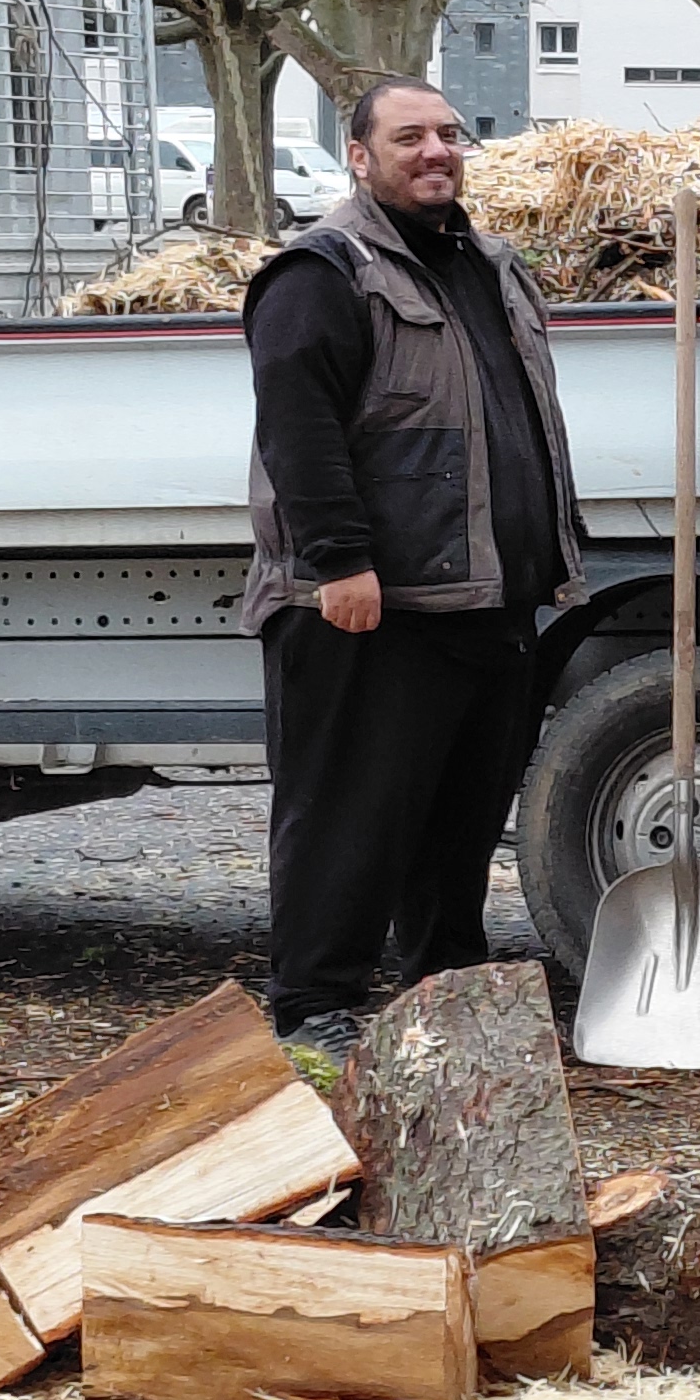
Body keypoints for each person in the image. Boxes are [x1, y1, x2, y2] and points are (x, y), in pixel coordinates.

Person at [242, 77, 584, 1055]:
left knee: (457, 826)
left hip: (481, 601)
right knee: (349, 816)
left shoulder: (487, 264)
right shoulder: (322, 273)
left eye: (448, 132)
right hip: (369, 605)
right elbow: (298, 428)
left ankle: (449, 1005)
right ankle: (314, 1008)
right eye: (408, 138)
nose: (435, 150)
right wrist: (340, 560)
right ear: (359, 156)